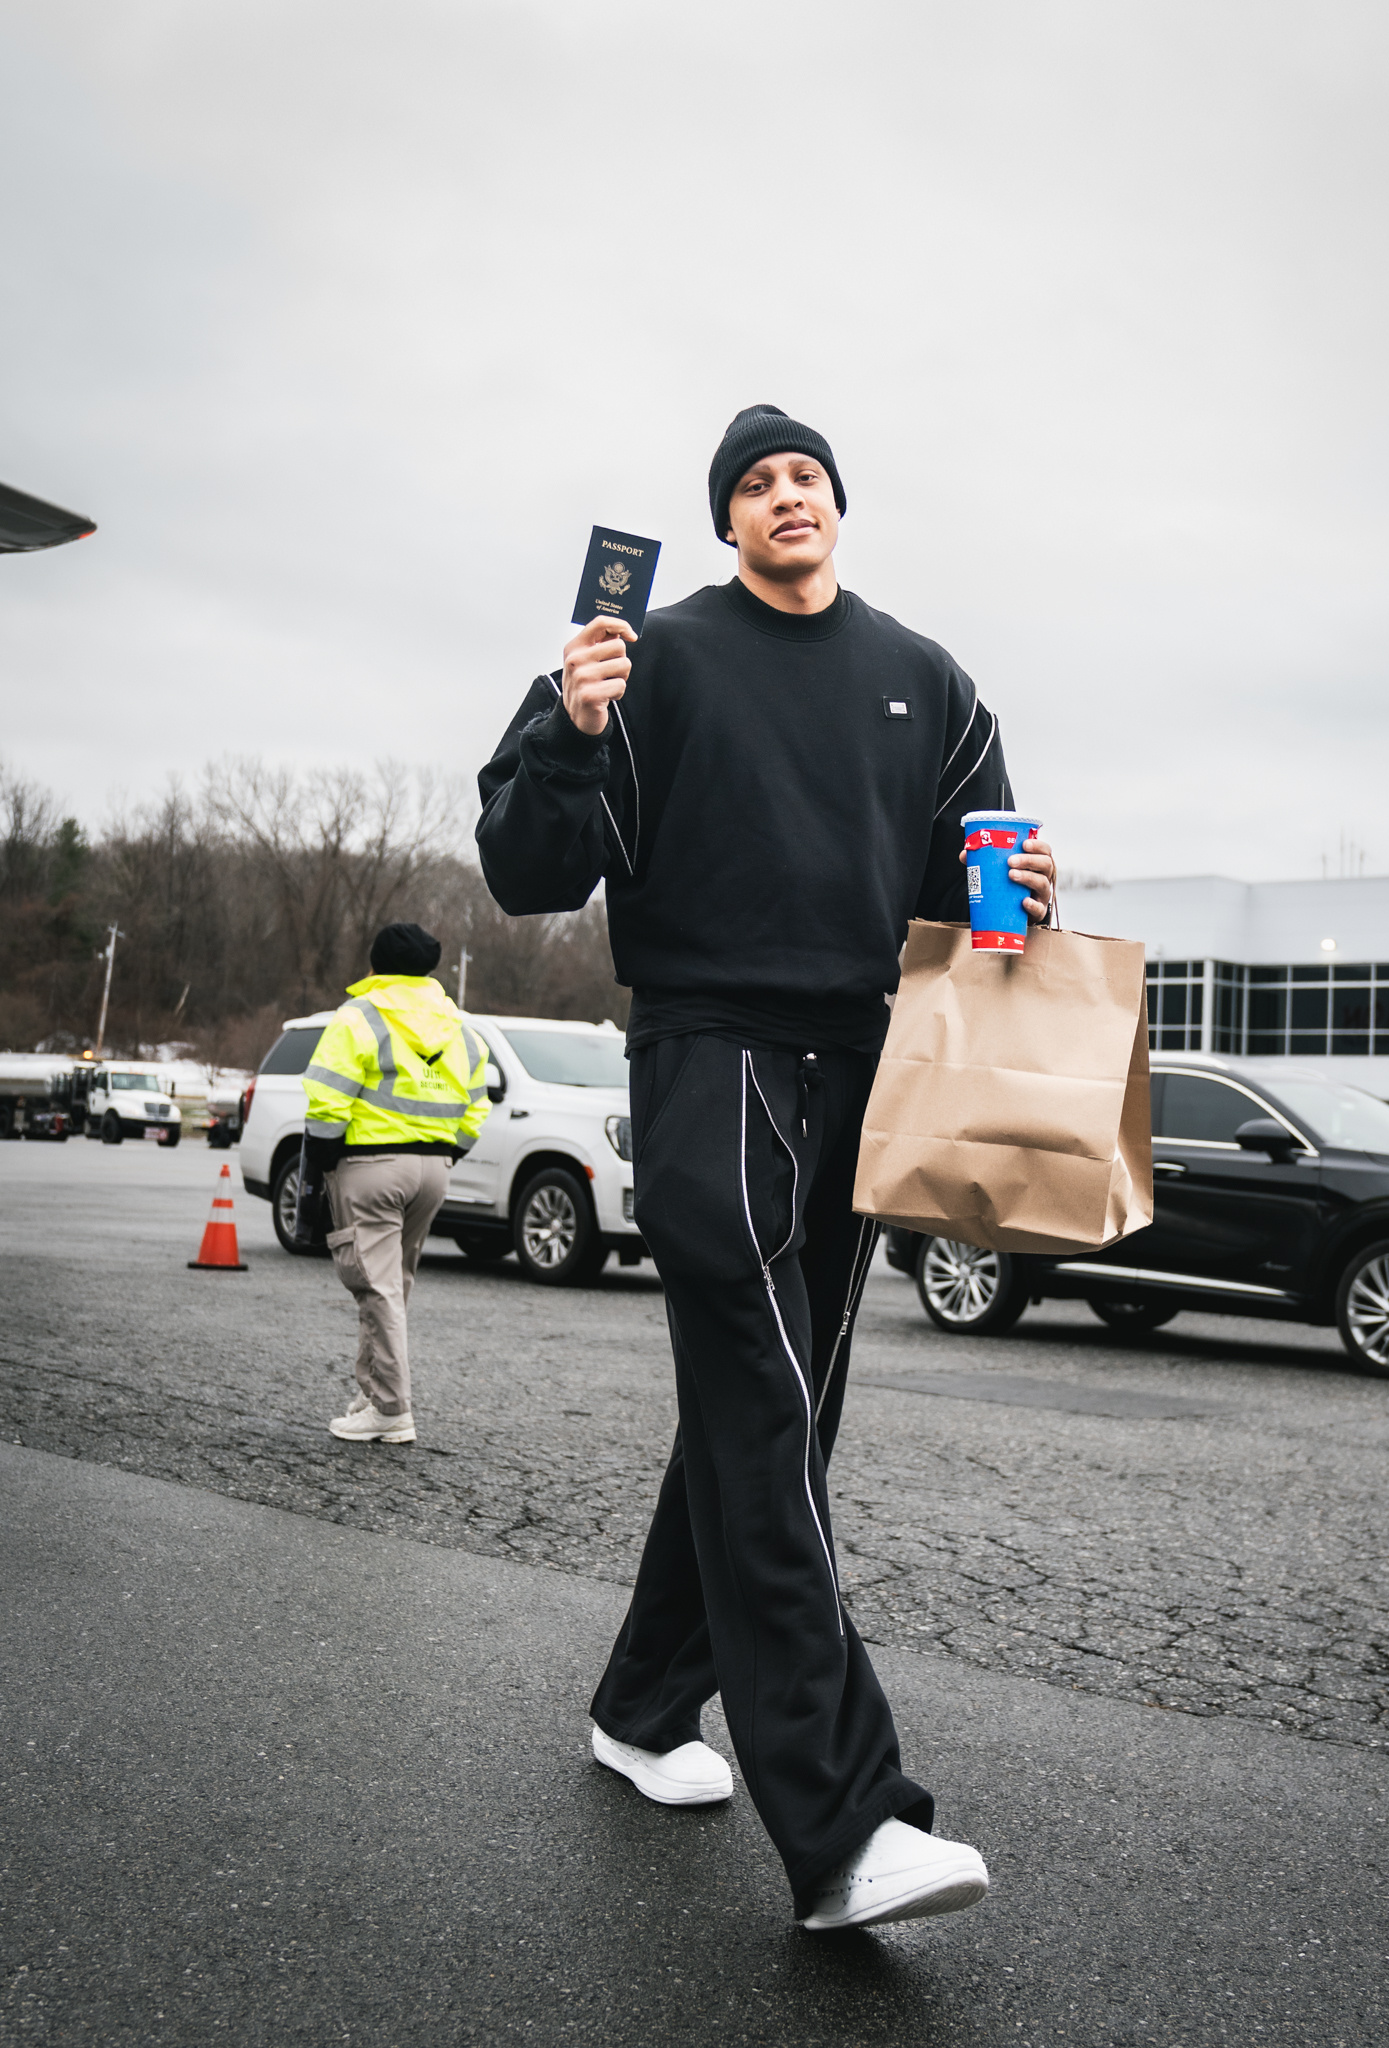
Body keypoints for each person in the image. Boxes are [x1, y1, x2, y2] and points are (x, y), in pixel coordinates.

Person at [475, 405, 1055, 1931]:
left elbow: (968, 911)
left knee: (776, 1414)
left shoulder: (925, 680)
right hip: (706, 1054)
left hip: (859, 1067)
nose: (781, 495)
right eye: (751, 483)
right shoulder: (641, 655)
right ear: (726, 523)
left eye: (802, 475)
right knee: (765, 1406)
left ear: (835, 508)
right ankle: (847, 1826)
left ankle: (643, 1706)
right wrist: (572, 728)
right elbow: (529, 873)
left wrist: (1025, 900)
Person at [300, 921, 492, 1445]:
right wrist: (449, 1150)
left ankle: (391, 1408)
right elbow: (478, 1104)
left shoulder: (360, 1015)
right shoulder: (459, 1025)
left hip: (372, 1165)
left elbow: (327, 1099)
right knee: (391, 1286)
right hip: (434, 1170)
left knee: (376, 1285)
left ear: (375, 964)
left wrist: (323, 1159)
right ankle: (371, 1393)